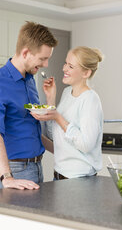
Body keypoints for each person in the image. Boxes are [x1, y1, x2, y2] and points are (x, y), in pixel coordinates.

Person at [0, 21, 58, 190]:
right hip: (15, 170)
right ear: (25, 53)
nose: (45, 64)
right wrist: (7, 177)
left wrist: (62, 152)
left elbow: (30, 129)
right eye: (43, 59)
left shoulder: (29, 80)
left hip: (36, 167)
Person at [31, 46, 104, 180]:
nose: (64, 68)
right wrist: (51, 99)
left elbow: (86, 145)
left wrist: (58, 117)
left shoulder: (90, 99)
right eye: (65, 63)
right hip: (59, 175)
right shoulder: (66, 93)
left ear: (86, 73)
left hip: (79, 179)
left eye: (71, 66)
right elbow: (56, 135)